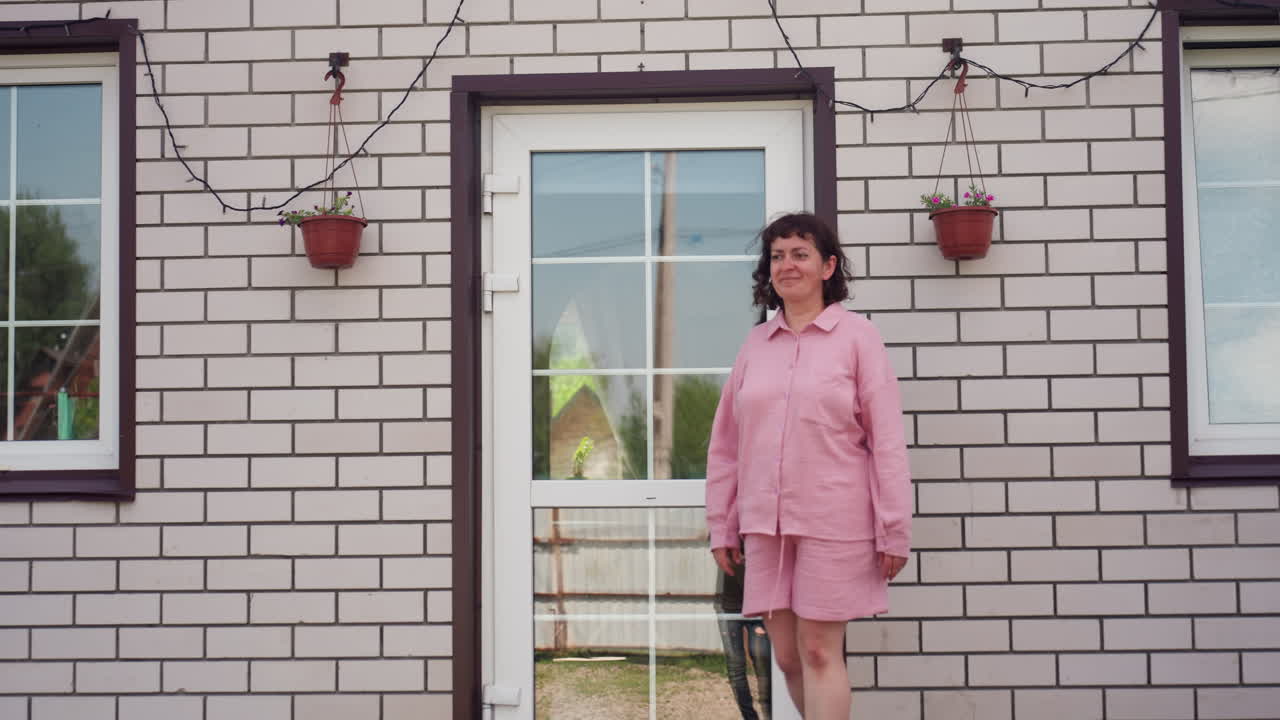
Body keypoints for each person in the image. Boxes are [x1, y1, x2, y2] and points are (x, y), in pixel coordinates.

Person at [705, 212, 912, 720]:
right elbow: (727, 444)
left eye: (800, 254)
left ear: (828, 267)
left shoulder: (858, 337)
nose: (787, 265)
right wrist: (722, 522)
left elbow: (886, 440)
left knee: (820, 651)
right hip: (765, 523)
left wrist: (894, 528)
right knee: (789, 657)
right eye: (777, 256)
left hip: (833, 521)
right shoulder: (756, 345)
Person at [715, 553, 772, 720]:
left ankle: (771, 714)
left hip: (760, 606)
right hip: (730, 605)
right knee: (736, 667)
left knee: (763, 662)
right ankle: (750, 717)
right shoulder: (724, 531)